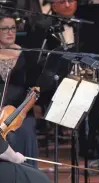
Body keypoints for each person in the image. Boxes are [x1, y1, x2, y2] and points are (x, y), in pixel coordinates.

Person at [0, 9, 38, 167]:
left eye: (13, 28)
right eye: (4, 29)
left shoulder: (27, 55)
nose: (10, 32)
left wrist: (20, 113)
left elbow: (34, 90)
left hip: (20, 113)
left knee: (22, 131)